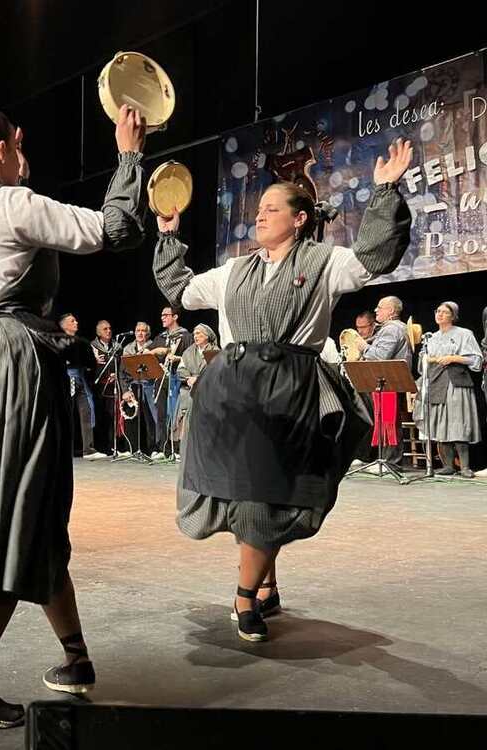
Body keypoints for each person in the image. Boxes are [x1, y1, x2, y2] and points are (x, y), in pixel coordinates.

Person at [0, 102, 147, 727]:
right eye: (15, 137)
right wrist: (127, 155)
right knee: (17, 512)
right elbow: (113, 229)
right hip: (9, 363)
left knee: (30, 513)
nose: (22, 144)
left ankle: (76, 658)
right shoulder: (14, 203)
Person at [153, 138, 414, 642]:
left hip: (287, 393)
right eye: (259, 209)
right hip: (232, 393)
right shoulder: (234, 271)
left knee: (264, 495)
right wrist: (168, 235)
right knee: (244, 493)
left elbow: (374, 259)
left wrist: (385, 191)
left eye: (273, 208)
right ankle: (265, 587)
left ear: (299, 219)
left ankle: (244, 598)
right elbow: (180, 289)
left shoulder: (323, 263)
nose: (261, 215)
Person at [413, 301, 482, 477]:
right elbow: (422, 365)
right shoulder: (431, 337)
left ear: (453, 315)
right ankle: (448, 465)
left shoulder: (464, 334)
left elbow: (476, 359)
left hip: (455, 382)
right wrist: (427, 359)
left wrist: (453, 357)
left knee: (458, 422)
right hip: (437, 382)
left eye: (444, 312)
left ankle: (465, 466)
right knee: (441, 424)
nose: (440, 314)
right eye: (438, 311)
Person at [359, 296, 412, 469]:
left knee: (389, 421)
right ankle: (385, 461)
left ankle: (391, 462)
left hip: (389, 380)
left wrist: (363, 346)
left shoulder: (392, 329)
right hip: (388, 381)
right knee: (386, 420)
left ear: (390, 311)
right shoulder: (395, 328)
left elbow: (380, 356)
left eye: (380, 307)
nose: (376, 310)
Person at [59, 313, 105, 460]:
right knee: (65, 415)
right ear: (63, 325)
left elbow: (89, 364)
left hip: (80, 379)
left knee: (87, 410)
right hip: (65, 380)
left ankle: (88, 449)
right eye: (72, 321)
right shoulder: (58, 341)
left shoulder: (81, 343)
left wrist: (93, 360)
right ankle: (63, 449)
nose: (76, 322)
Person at [150, 306, 193, 458]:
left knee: (174, 414)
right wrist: (154, 352)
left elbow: (192, 359)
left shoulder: (186, 336)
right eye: (161, 315)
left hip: (176, 380)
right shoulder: (160, 338)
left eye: (166, 315)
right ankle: (162, 447)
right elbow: (148, 355)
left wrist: (177, 358)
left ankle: (175, 447)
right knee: (161, 413)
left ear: (175, 317)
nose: (162, 317)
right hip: (161, 378)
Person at [172, 323, 219, 441]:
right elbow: (181, 369)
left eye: (198, 333)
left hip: (208, 390)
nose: (195, 336)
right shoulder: (188, 351)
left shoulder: (215, 351)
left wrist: (199, 379)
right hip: (189, 389)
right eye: (194, 334)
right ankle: (185, 443)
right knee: (185, 399)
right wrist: (189, 378)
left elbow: (217, 372)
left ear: (207, 336)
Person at [120, 321, 158, 455]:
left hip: (149, 386)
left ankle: (153, 449)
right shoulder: (128, 348)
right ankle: (131, 448)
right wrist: (125, 390)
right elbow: (122, 373)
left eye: (143, 331)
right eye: (138, 330)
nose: (140, 333)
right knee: (131, 417)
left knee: (150, 418)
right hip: (133, 386)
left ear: (147, 333)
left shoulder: (153, 346)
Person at [90, 320, 118, 455]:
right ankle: (100, 446)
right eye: (105, 329)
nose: (108, 331)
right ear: (98, 332)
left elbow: (123, 365)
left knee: (113, 417)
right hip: (98, 387)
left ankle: (113, 446)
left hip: (113, 386)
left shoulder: (117, 346)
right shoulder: (92, 346)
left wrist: (116, 374)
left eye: (109, 328)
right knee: (100, 417)